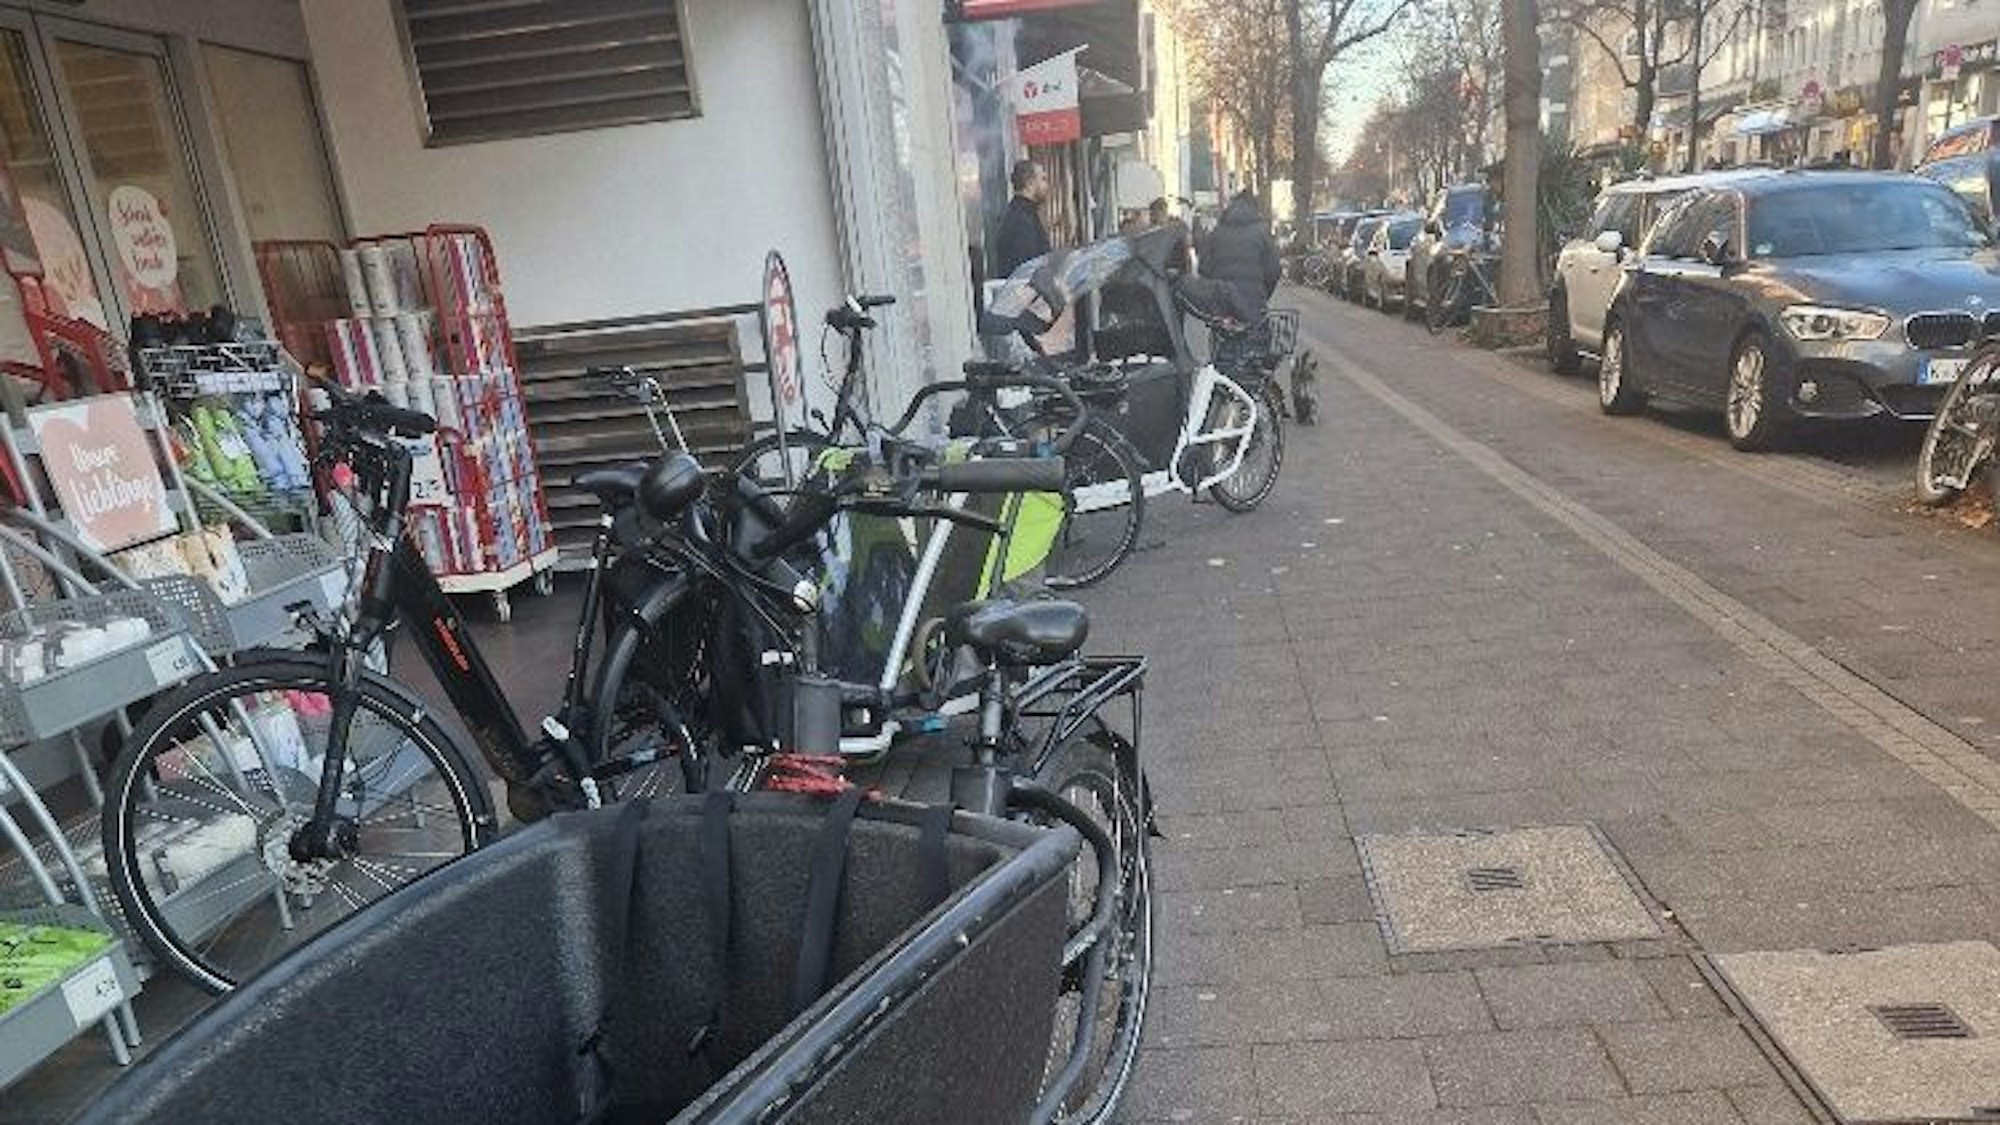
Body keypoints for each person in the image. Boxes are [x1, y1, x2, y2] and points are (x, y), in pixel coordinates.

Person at [1194, 191, 1280, 321]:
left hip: (1224, 307)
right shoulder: (1262, 232)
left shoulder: (1217, 233)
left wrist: (1217, 291)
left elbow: (1204, 268)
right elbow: (1274, 270)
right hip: (1254, 304)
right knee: (1257, 336)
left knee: (1225, 335)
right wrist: (1262, 294)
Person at [992, 158, 1051, 277]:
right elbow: (1029, 269)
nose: (1047, 185)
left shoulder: (1021, 213)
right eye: (1043, 179)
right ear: (1029, 184)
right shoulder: (1021, 221)